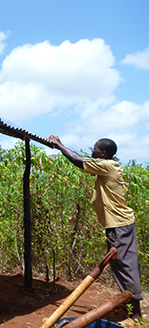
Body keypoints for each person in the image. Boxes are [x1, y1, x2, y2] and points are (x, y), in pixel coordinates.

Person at [49, 135, 143, 321]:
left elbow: (77, 160)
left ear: (103, 153)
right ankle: (131, 310)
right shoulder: (108, 165)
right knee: (122, 266)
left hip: (119, 226)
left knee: (125, 267)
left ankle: (136, 314)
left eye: (94, 149)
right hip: (121, 225)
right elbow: (81, 158)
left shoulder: (107, 166)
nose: (92, 151)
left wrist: (59, 145)